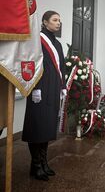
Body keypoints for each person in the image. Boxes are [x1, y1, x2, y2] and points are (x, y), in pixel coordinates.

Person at [22, 11, 66, 181]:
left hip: (53, 89)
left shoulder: (58, 44)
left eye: (59, 21)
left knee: (47, 127)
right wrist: (35, 88)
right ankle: (36, 165)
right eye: (55, 20)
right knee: (37, 128)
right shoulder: (37, 40)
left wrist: (62, 86)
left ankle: (43, 163)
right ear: (45, 22)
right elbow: (30, 64)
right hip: (39, 90)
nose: (58, 23)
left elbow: (61, 66)